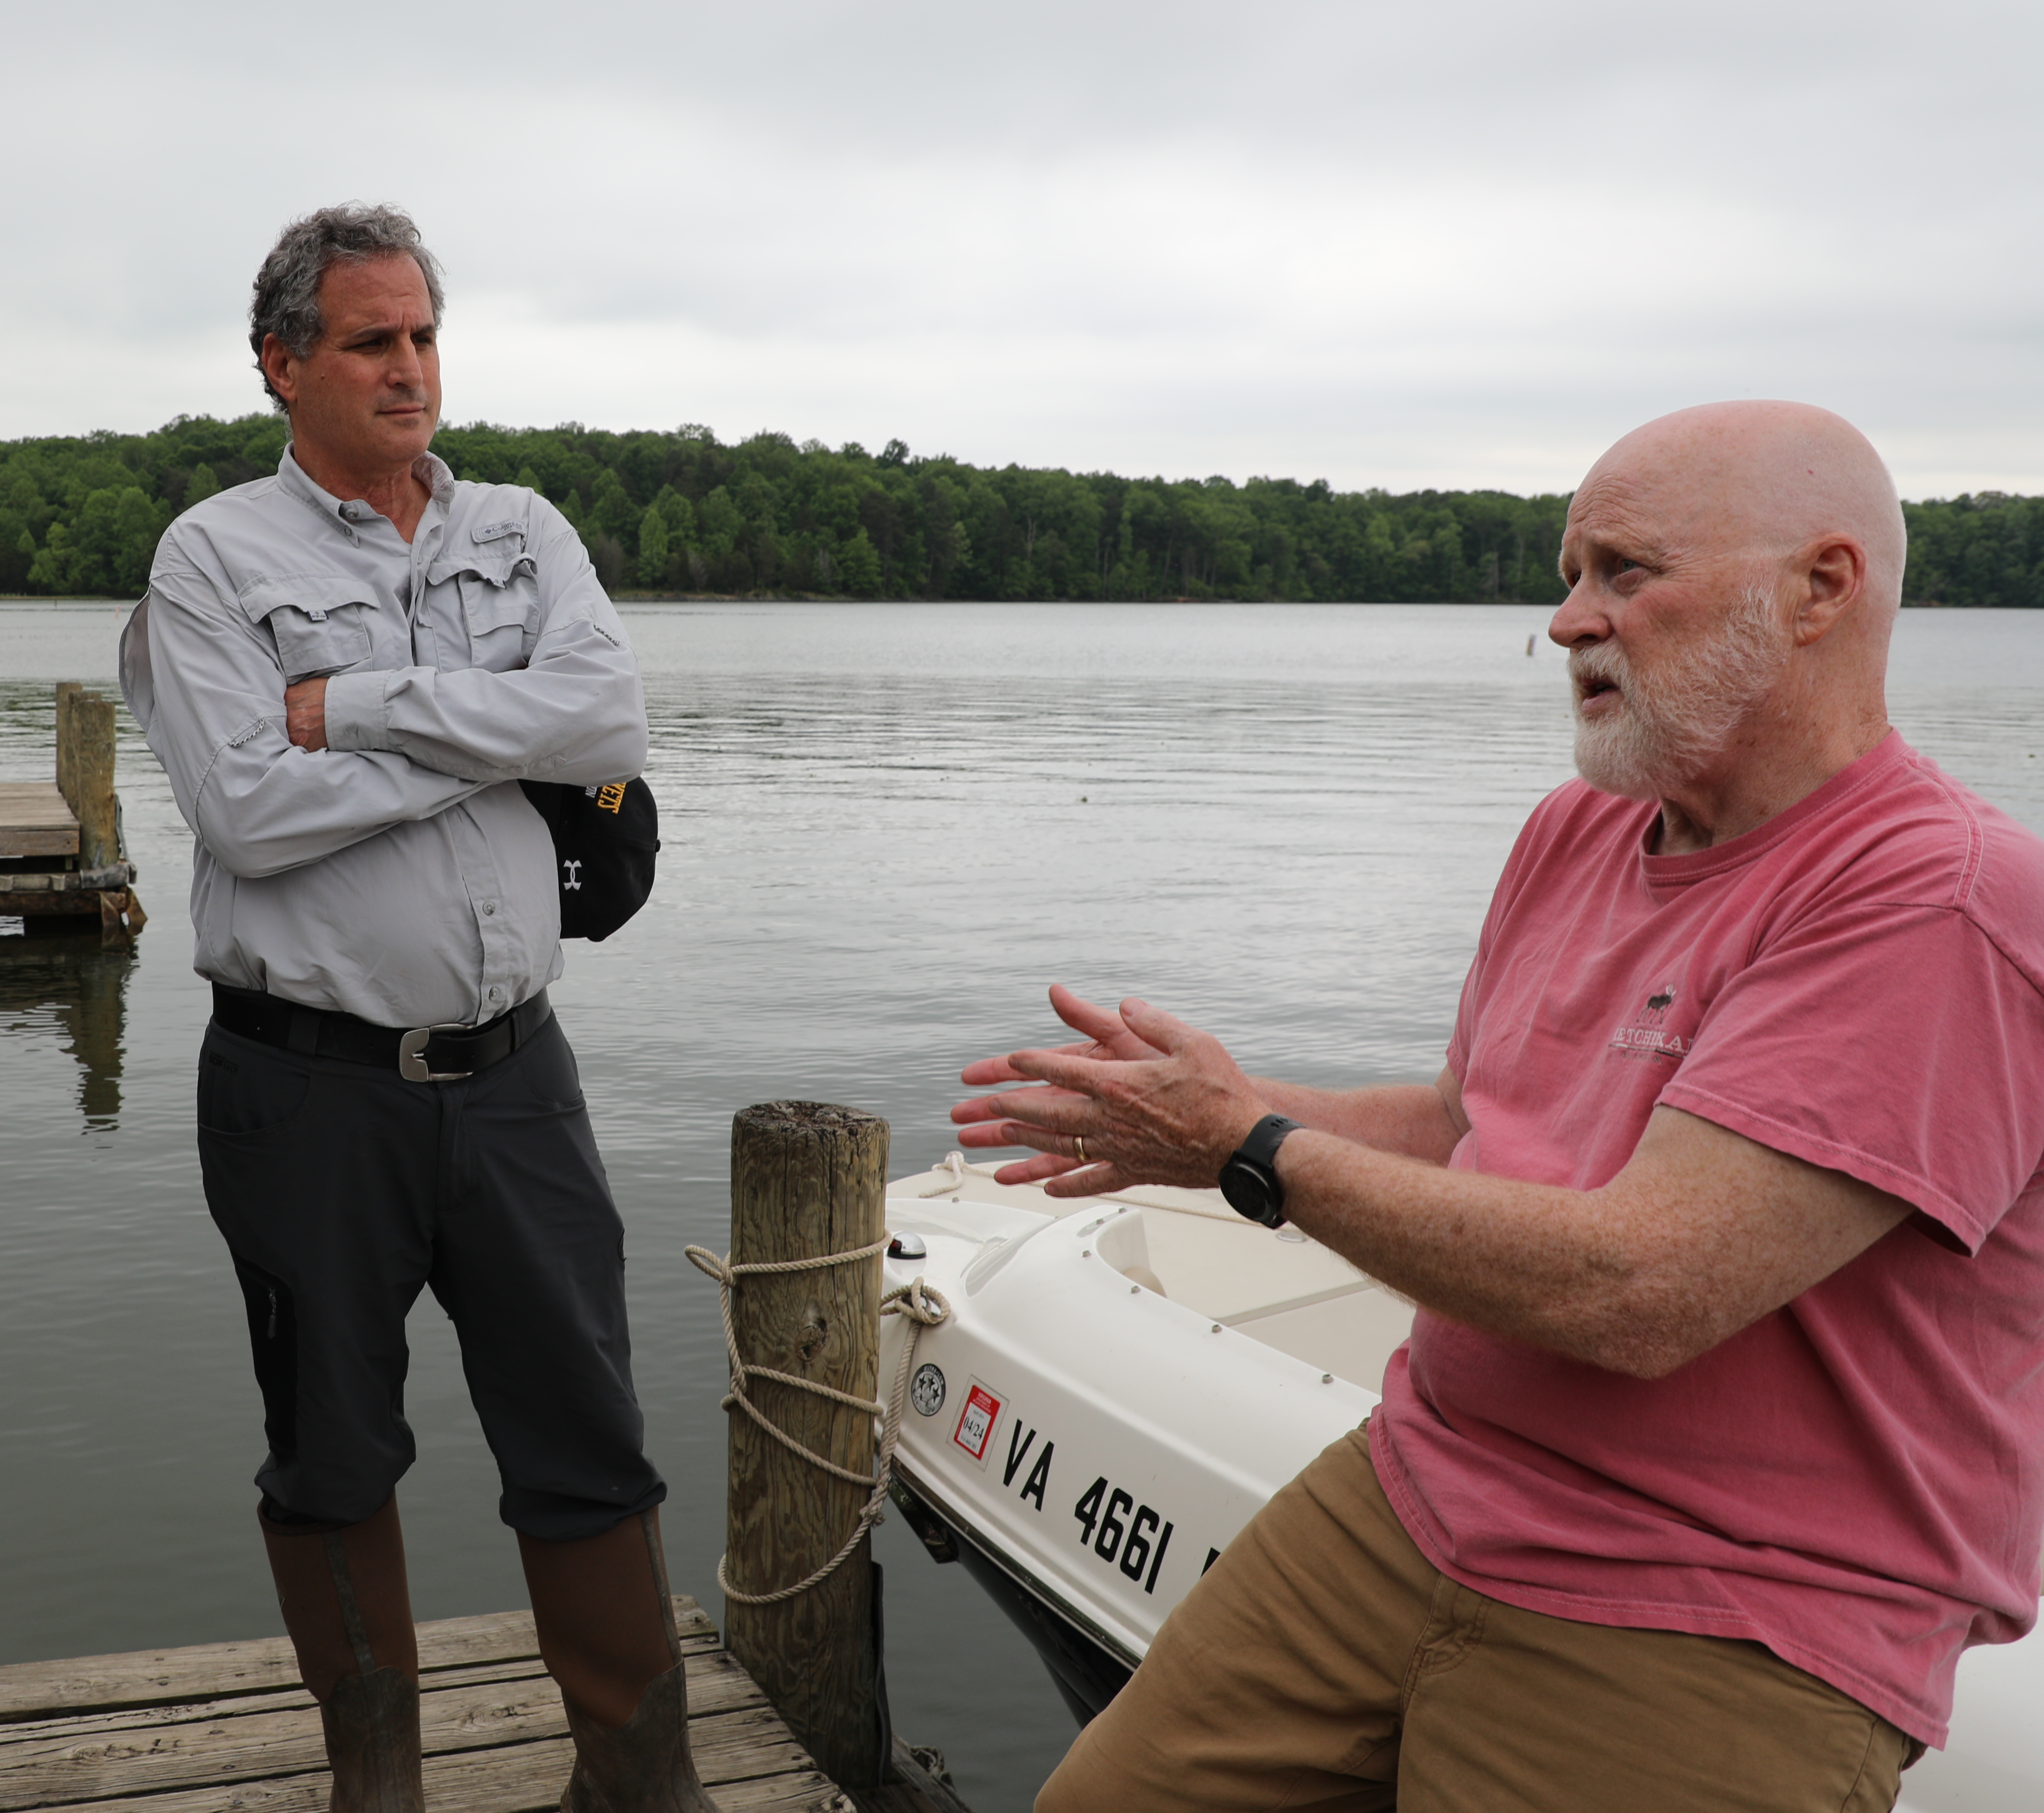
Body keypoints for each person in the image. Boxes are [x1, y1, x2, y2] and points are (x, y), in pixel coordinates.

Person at [953, 401, 2044, 1813]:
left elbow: (1642, 1290)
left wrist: (1245, 1147)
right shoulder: (1578, 827)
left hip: (1724, 1608)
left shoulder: (1938, 902)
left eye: (1624, 574)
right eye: (1568, 571)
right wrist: (1198, 1108)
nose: (1566, 622)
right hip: (1417, 1492)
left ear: (1820, 590)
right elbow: (1474, 1127)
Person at [121, 205, 701, 1813]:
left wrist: (359, 709)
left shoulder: (521, 528)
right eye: (371, 341)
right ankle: (379, 1788)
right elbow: (244, 809)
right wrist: (497, 738)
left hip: (521, 1080)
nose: (409, 370)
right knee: (331, 1451)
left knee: (589, 1430)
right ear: (282, 364)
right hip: (305, 1090)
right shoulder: (213, 558)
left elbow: (608, 715)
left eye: (425, 336)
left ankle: (637, 1787)